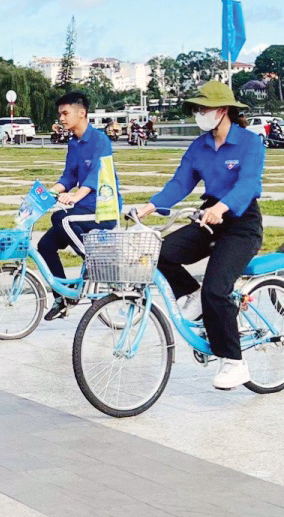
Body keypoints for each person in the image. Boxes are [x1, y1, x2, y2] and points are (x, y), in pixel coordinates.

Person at [133, 81, 265, 391]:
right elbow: (180, 183)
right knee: (161, 253)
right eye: (197, 109)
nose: (199, 114)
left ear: (223, 110)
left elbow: (248, 184)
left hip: (241, 223)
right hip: (208, 219)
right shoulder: (199, 146)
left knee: (216, 289)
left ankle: (234, 362)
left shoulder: (250, 142)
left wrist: (222, 206)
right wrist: (150, 207)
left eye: (203, 108)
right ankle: (192, 296)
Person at [38, 91, 122, 320]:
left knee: (61, 218)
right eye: (60, 114)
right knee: (44, 245)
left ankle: (98, 262)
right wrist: (47, 193)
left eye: (65, 113)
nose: (61, 118)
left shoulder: (100, 140)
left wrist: (75, 197)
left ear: (81, 112)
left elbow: (96, 175)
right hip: (82, 210)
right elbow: (68, 177)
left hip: (102, 210)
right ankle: (63, 298)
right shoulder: (74, 144)